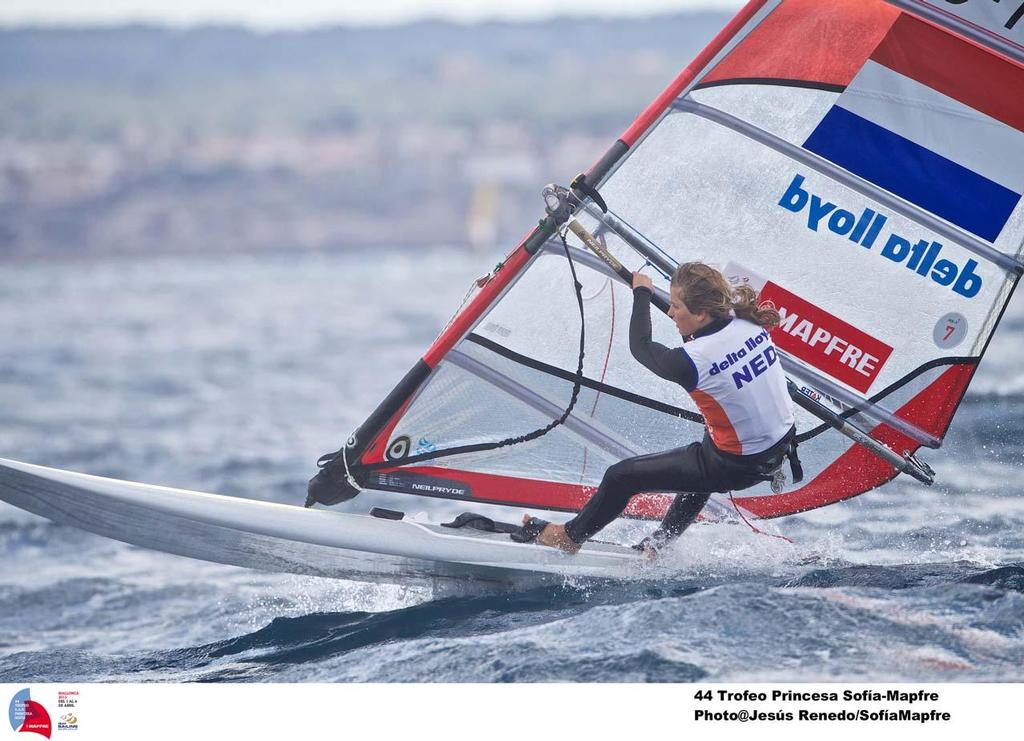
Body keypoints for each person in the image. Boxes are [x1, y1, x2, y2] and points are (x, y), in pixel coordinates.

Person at [514, 261, 797, 555]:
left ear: (700, 313)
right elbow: (706, 338)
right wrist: (655, 296)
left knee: (620, 476)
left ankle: (569, 537)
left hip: (736, 466)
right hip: (779, 446)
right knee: (700, 463)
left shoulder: (691, 361)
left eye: (676, 307)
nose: (671, 312)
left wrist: (642, 294)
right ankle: (660, 544)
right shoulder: (747, 322)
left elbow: (641, 347)